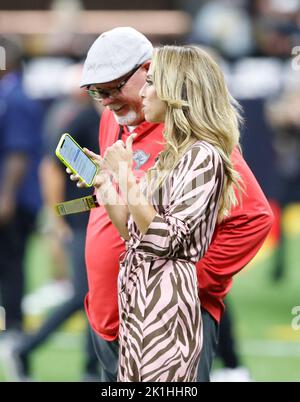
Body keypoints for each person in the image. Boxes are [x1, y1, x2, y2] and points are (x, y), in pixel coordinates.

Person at [74, 27, 273, 382]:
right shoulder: (117, 120)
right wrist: (106, 185)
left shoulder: (196, 144)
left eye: (113, 88)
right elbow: (138, 233)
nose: (105, 100)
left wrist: (184, 280)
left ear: (153, 73)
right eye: (96, 92)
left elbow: (254, 219)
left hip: (166, 320)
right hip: (116, 317)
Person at [4, 66, 101, 382]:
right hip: (85, 218)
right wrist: (60, 215)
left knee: (94, 297)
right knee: (87, 296)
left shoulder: (79, 116)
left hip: (91, 216)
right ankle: (30, 348)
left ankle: (91, 365)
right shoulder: (84, 119)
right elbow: (52, 166)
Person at [0, 36, 44, 337]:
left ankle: (13, 326)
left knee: (10, 262)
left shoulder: (14, 98)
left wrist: (6, 196)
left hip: (14, 198)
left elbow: (18, 153)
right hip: (15, 196)